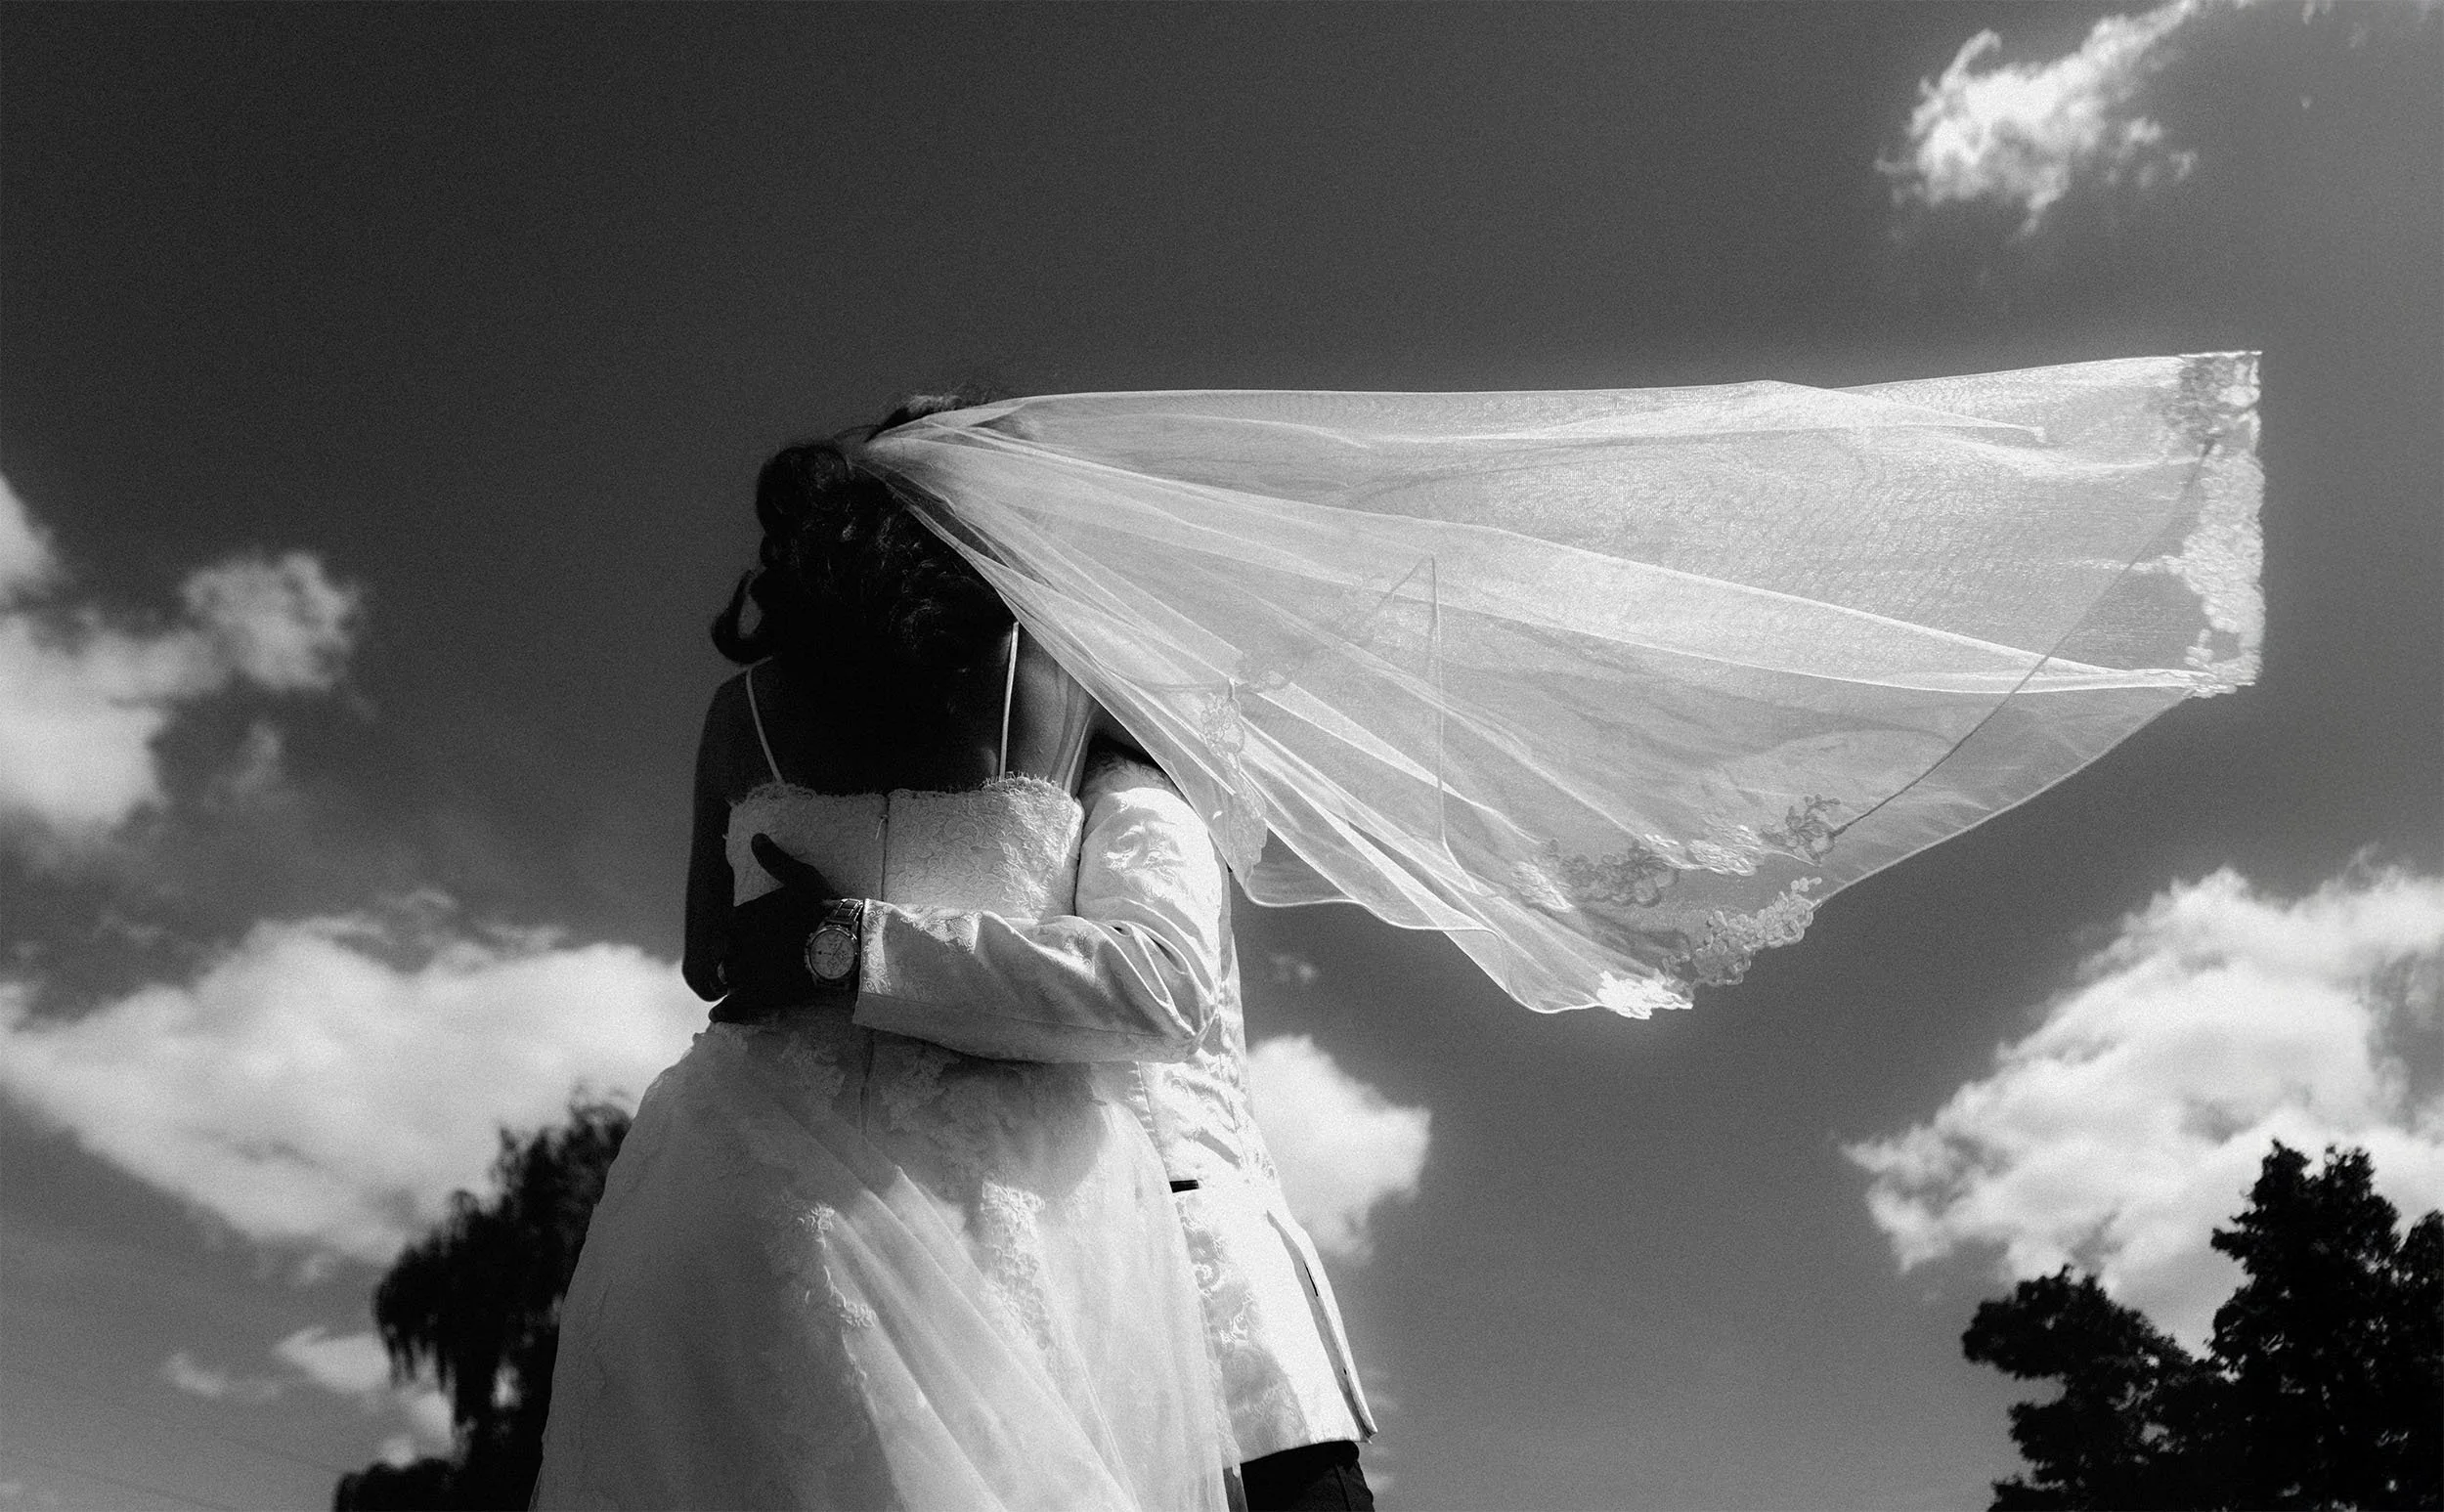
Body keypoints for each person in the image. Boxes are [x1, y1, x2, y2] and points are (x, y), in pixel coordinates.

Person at [533, 397, 1375, 1510]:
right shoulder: (1082, 705)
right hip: (1026, 1207)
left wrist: (835, 939)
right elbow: (1153, 990)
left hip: (747, 1189)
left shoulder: (744, 713)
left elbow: (712, 957)